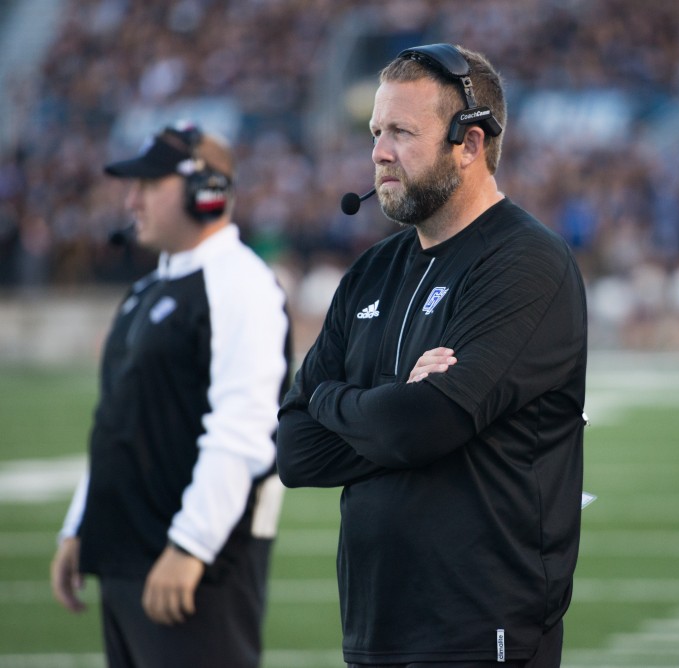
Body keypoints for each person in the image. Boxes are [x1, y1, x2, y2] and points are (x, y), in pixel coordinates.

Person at [276, 43, 588, 667]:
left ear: (470, 144)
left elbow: (421, 428)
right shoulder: (370, 272)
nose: (378, 153)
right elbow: (295, 448)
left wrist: (337, 400)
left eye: (401, 132)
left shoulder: (527, 264)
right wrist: (385, 405)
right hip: (374, 626)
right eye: (374, 132)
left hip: (480, 629)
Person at [50, 122, 292, 668]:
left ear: (204, 192)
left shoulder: (241, 284)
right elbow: (117, 419)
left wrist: (190, 546)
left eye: (149, 185)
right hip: (129, 559)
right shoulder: (148, 289)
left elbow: (245, 427)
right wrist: (81, 525)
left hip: (190, 573)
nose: (130, 199)